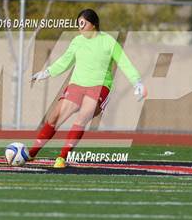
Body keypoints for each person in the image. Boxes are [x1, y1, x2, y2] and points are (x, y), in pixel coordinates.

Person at [30, 9, 147, 168]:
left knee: (81, 119)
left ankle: (62, 158)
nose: (80, 27)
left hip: (99, 87)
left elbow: (124, 63)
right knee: (54, 117)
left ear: (93, 24)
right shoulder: (77, 41)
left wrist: (137, 82)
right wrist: (47, 72)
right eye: (78, 24)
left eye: (83, 23)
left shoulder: (108, 41)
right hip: (77, 85)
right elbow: (65, 61)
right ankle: (31, 154)